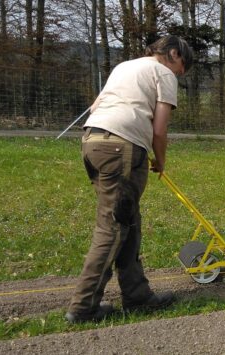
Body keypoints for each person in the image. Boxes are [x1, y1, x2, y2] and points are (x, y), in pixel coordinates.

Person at [65, 35, 193, 323]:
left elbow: (96, 106)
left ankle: (138, 296)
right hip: (120, 148)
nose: (181, 73)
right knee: (113, 227)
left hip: (92, 141)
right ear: (173, 54)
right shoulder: (163, 73)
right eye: (183, 66)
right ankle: (83, 306)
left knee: (128, 220)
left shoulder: (125, 67)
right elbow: (159, 130)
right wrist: (160, 161)